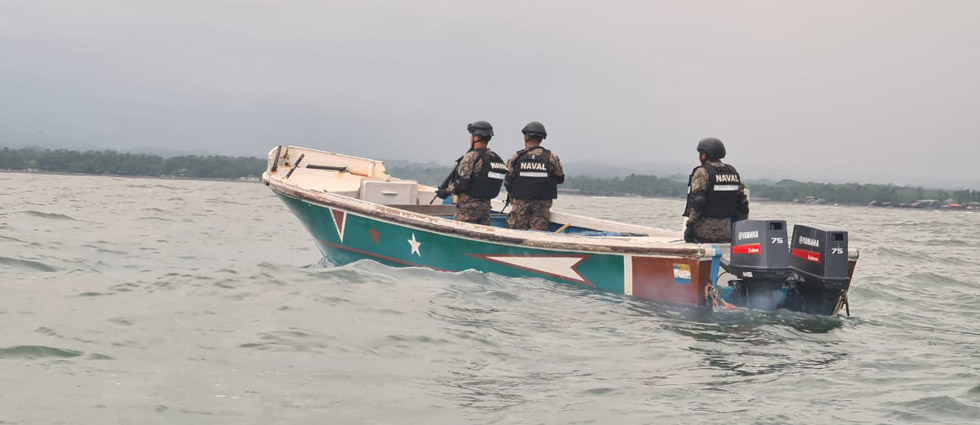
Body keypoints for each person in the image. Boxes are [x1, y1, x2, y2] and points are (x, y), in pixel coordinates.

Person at [436, 121, 507, 225]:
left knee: (461, 233)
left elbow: (462, 182)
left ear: (476, 137)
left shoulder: (471, 156)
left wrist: (445, 192)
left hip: (467, 209)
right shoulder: (495, 157)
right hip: (485, 208)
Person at [682, 137, 749, 243]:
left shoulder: (702, 172)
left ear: (705, 155)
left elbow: (699, 202)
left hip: (703, 233)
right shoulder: (732, 171)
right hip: (728, 233)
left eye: (701, 154)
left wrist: (690, 225)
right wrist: (741, 229)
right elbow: (743, 204)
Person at [504, 121, 565, 230]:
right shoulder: (551, 158)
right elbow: (560, 178)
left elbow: (508, 181)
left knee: (516, 232)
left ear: (526, 137)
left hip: (520, 205)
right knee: (538, 233)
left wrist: (512, 195)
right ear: (542, 138)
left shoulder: (516, 157)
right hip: (541, 207)